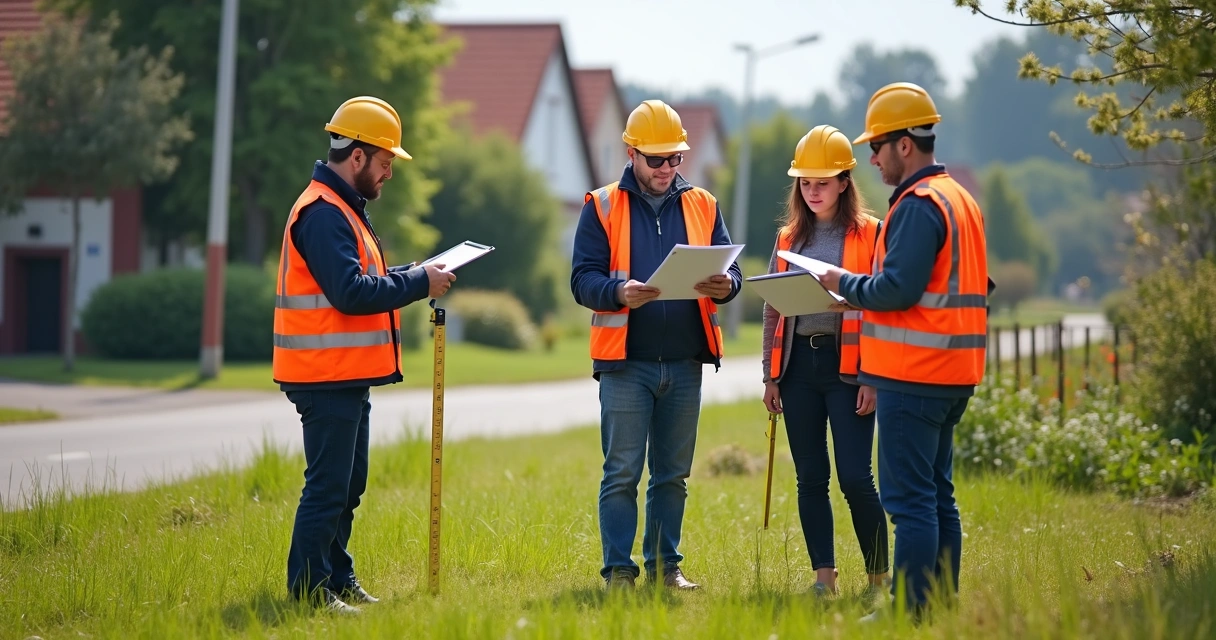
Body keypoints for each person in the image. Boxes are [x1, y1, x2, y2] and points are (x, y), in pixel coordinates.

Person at [272, 95, 456, 614]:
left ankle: (335, 577)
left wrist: (412, 275)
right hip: (323, 375)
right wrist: (420, 282)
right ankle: (309, 593)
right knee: (329, 487)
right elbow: (351, 293)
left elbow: (366, 281)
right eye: (386, 161)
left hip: (345, 374)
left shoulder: (343, 209)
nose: (389, 172)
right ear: (358, 156)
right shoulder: (323, 214)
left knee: (349, 485)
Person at [817, 82, 991, 620]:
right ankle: (939, 603)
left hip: (913, 376)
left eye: (877, 146)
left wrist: (844, 284)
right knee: (939, 495)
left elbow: (897, 289)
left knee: (909, 501)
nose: (872, 157)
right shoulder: (961, 198)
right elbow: (975, 286)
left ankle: (910, 611)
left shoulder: (916, 206)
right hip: (954, 373)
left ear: (905, 145)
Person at [570, 99, 743, 592]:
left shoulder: (704, 204)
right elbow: (582, 280)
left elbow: (730, 269)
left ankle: (666, 569)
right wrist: (619, 293)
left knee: (672, 475)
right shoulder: (601, 205)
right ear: (631, 153)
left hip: (686, 363)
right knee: (622, 472)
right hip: (626, 364)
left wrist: (726, 286)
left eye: (675, 159)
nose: (667, 168)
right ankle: (619, 573)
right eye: (656, 159)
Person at [759, 125, 890, 599]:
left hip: (850, 371)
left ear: (843, 182)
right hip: (798, 372)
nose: (813, 192)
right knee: (811, 477)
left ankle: (879, 580)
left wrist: (873, 378)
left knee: (856, 477)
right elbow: (773, 308)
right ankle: (823, 580)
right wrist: (770, 376)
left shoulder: (872, 235)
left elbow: (881, 310)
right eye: (805, 183)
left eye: (822, 182)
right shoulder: (788, 237)